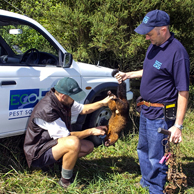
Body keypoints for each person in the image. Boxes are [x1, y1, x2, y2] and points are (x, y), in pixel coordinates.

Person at [115, 10, 190, 194]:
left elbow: (183, 91)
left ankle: (156, 188)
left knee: (157, 155)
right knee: (143, 148)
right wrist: (129, 74)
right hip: (146, 110)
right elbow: (151, 69)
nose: (147, 37)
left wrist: (178, 125)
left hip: (161, 115)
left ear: (163, 29)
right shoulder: (154, 45)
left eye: (149, 33)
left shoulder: (178, 53)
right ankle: (147, 181)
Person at [23, 77, 113, 188]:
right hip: (38, 153)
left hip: (52, 143)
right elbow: (68, 136)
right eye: (73, 97)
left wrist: (103, 103)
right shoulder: (48, 109)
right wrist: (91, 131)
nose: (74, 100)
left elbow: (83, 109)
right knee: (73, 142)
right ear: (63, 95)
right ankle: (65, 182)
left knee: (88, 146)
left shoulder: (63, 101)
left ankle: (61, 163)